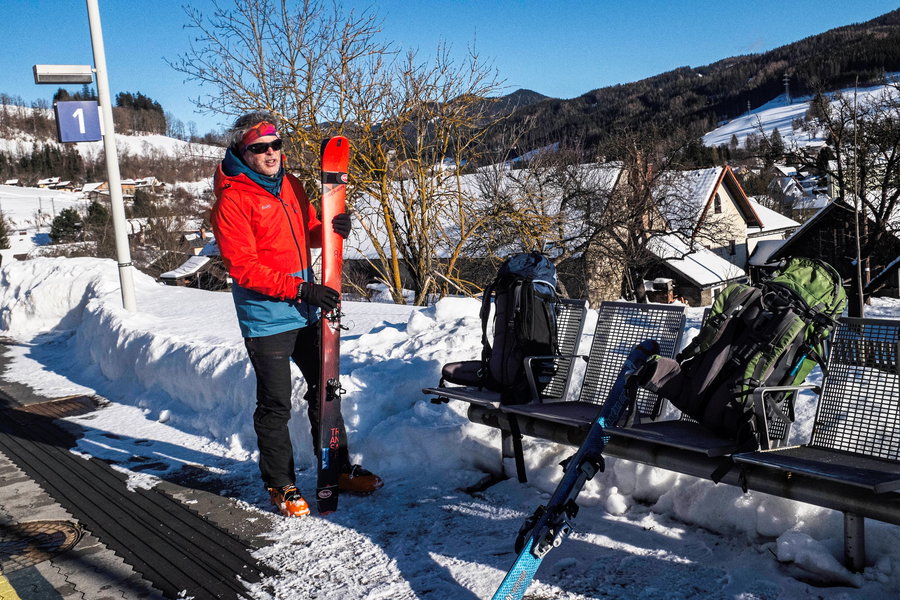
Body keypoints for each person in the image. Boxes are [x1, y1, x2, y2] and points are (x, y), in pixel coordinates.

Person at [211, 111, 382, 517]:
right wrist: (301, 288)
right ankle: (280, 484)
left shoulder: (291, 185)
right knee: (276, 405)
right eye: (259, 148)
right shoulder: (232, 200)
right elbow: (244, 267)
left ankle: (336, 468)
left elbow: (309, 231)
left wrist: (332, 229)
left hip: (306, 311)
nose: (271, 153)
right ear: (242, 151)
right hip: (266, 318)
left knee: (327, 393)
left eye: (275, 144)